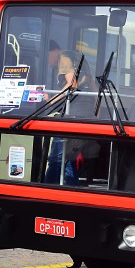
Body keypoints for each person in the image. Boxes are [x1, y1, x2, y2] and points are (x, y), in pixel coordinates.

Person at [44, 50, 97, 186]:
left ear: (53, 53)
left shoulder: (64, 59)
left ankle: (48, 188)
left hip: (71, 118)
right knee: (68, 160)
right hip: (86, 119)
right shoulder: (85, 70)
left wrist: (52, 100)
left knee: (57, 159)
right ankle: (71, 188)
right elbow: (96, 93)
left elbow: (72, 84)